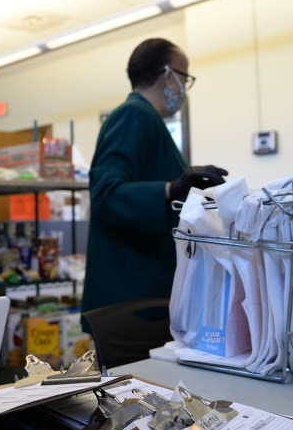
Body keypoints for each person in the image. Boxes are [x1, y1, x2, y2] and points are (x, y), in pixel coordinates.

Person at [81, 38, 227, 327]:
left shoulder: (150, 121)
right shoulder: (133, 114)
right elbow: (106, 194)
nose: (184, 87)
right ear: (167, 74)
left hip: (145, 287)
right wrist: (171, 189)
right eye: (184, 77)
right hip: (129, 295)